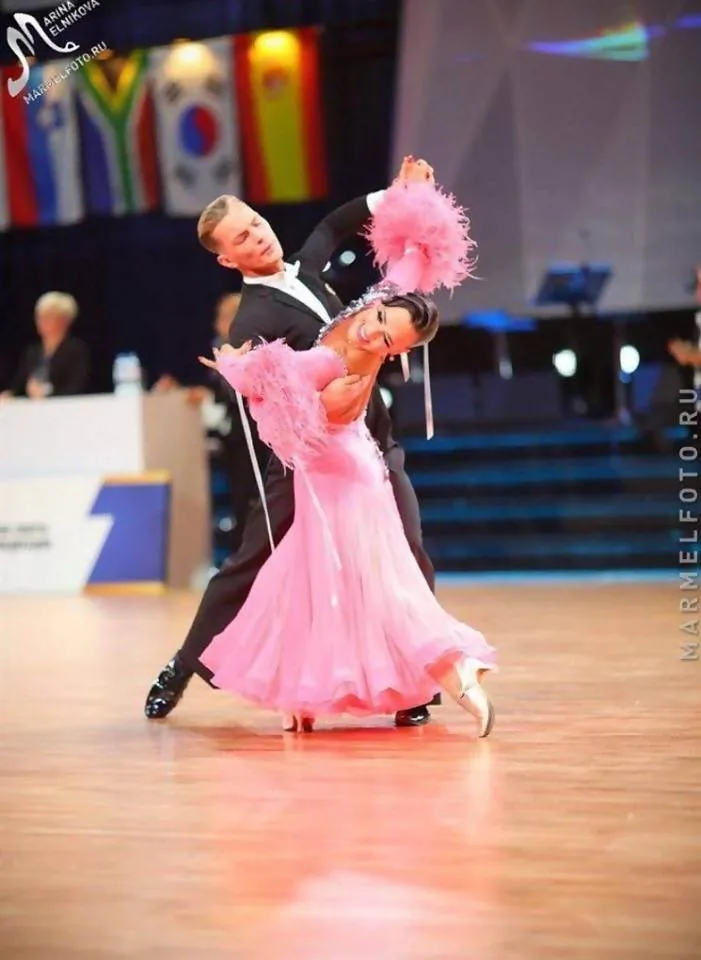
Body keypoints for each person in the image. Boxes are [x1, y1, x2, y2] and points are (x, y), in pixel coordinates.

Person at [144, 157, 440, 727]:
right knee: (251, 561)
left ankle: (412, 683)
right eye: (243, 239)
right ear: (228, 259)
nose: (259, 237)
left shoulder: (305, 268)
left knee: (408, 547)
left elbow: (336, 221)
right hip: (305, 461)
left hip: (375, 438)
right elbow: (274, 402)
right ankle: (182, 666)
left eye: (256, 223)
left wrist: (399, 196)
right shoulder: (250, 319)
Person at [196, 289, 496, 736]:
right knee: (329, 580)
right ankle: (302, 698)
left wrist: (232, 364)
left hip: (339, 479)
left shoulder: (331, 362)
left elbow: (270, 384)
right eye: (378, 319)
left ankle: (456, 671)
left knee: (364, 584)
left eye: (385, 340)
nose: (372, 332)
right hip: (346, 471)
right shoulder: (356, 347)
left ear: (395, 353)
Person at [153, 292, 269, 552]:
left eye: (230, 315)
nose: (223, 321)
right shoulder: (218, 348)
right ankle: (244, 556)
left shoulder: (255, 347)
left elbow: (245, 390)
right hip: (233, 438)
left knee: (256, 500)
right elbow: (213, 388)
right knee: (241, 501)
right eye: (222, 315)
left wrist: (211, 394)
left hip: (256, 435)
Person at [0, 292, 89, 401]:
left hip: (62, 409)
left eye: (48, 316)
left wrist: (47, 396)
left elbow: (76, 387)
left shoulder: (76, 349)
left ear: (64, 320)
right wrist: (10, 394)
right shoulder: (32, 352)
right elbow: (19, 385)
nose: (41, 321)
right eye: (39, 316)